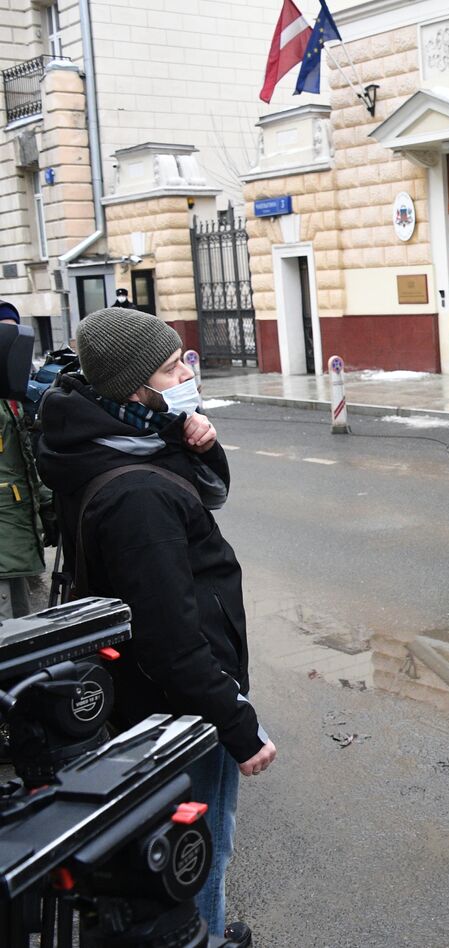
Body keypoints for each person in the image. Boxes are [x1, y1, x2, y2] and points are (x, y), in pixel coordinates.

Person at [35, 307, 272, 947]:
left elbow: (208, 491)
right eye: (172, 368)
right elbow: (170, 637)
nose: (186, 375)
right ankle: (202, 935)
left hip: (155, 691)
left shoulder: (117, 434)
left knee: (171, 845)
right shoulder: (135, 491)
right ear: (134, 387)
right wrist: (237, 722)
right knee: (196, 851)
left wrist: (202, 441)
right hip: (178, 704)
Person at [0, 304, 53, 619]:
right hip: (6, 541)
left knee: (23, 624)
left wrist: (48, 505)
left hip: (16, 536)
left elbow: (24, 462)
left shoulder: (10, 398)